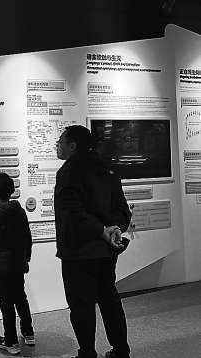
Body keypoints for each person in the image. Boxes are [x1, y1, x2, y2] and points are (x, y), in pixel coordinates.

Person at [54, 125, 132, 358]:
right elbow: (122, 209)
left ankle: (87, 353)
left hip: (79, 251)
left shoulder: (69, 172)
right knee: (109, 300)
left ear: (72, 146)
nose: (57, 145)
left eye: (60, 141)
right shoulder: (106, 168)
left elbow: (72, 213)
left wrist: (102, 230)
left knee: (81, 305)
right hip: (107, 250)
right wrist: (114, 229)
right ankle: (121, 350)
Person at [0, 172, 34, 355]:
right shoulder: (20, 211)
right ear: (11, 189)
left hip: (1, 267)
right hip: (18, 263)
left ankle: (11, 340)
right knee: (20, 297)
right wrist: (26, 258)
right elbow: (27, 238)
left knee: (6, 303)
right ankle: (28, 332)